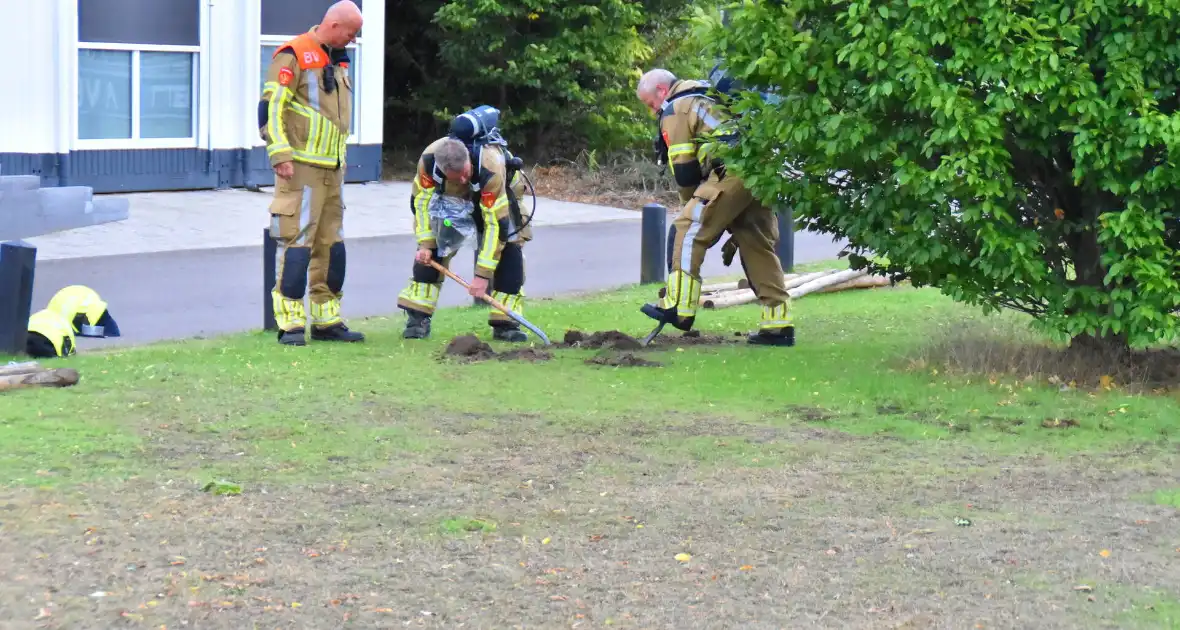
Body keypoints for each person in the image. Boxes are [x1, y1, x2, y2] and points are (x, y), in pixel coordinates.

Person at [637, 68, 795, 346]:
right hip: (758, 169)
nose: (652, 112)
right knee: (755, 241)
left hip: (731, 170)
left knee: (686, 229)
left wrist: (694, 209)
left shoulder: (677, 107)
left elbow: (684, 172)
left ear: (662, 91)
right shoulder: (707, 94)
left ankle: (679, 308)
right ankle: (778, 325)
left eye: (650, 104)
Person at [257, 0, 365, 346]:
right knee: (295, 241)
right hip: (300, 167)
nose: (354, 39)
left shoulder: (338, 59)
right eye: (352, 33)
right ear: (334, 25)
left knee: (331, 245)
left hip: (332, 169)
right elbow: (271, 107)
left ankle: (326, 320)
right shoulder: (293, 54)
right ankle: (289, 323)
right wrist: (280, 154)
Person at [395, 106, 535, 342]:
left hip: (496, 201)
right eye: (454, 177)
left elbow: (494, 226)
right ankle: (417, 320)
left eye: (464, 174)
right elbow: (420, 203)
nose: (462, 180)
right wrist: (425, 244)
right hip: (451, 203)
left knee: (509, 252)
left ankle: (506, 324)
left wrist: (481, 276)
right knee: (433, 253)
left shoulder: (490, 168)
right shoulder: (429, 161)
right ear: (441, 169)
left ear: (469, 160)